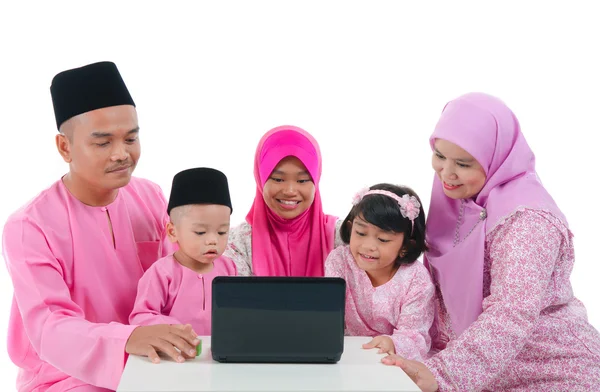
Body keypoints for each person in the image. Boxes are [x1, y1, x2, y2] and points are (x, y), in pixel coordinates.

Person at [382, 92, 600, 391]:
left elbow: (511, 313)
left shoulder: (527, 220)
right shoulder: (457, 199)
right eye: (440, 155)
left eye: (464, 163)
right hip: (473, 369)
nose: (446, 173)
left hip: (548, 371)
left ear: (497, 156)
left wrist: (442, 374)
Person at [2, 61, 199, 392]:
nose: (121, 154)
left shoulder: (150, 196)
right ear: (65, 147)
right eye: (103, 142)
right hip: (65, 377)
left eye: (131, 138)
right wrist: (129, 338)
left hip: (154, 362)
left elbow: (178, 280)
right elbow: (50, 327)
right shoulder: (29, 226)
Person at [325, 183, 434, 361]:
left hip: (391, 359)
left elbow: (415, 335)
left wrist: (392, 343)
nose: (368, 246)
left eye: (383, 239)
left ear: (406, 245)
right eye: (360, 233)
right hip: (349, 354)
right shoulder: (340, 260)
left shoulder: (416, 280)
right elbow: (329, 312)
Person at [129, 167, 236, 337]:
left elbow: (235, 309)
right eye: (200, 232)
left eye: (222, 232)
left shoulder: (228, 268)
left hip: (219, 355)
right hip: (176, 356)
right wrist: (174, 329)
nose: (212, 240)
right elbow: (141, 316)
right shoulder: (162, 273)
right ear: (172, 232)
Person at [224, 125, 343, 276]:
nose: (290, 191)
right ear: (260, 179)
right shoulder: (237, 244)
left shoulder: (342, 237)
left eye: (302, 180)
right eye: (278, 179)